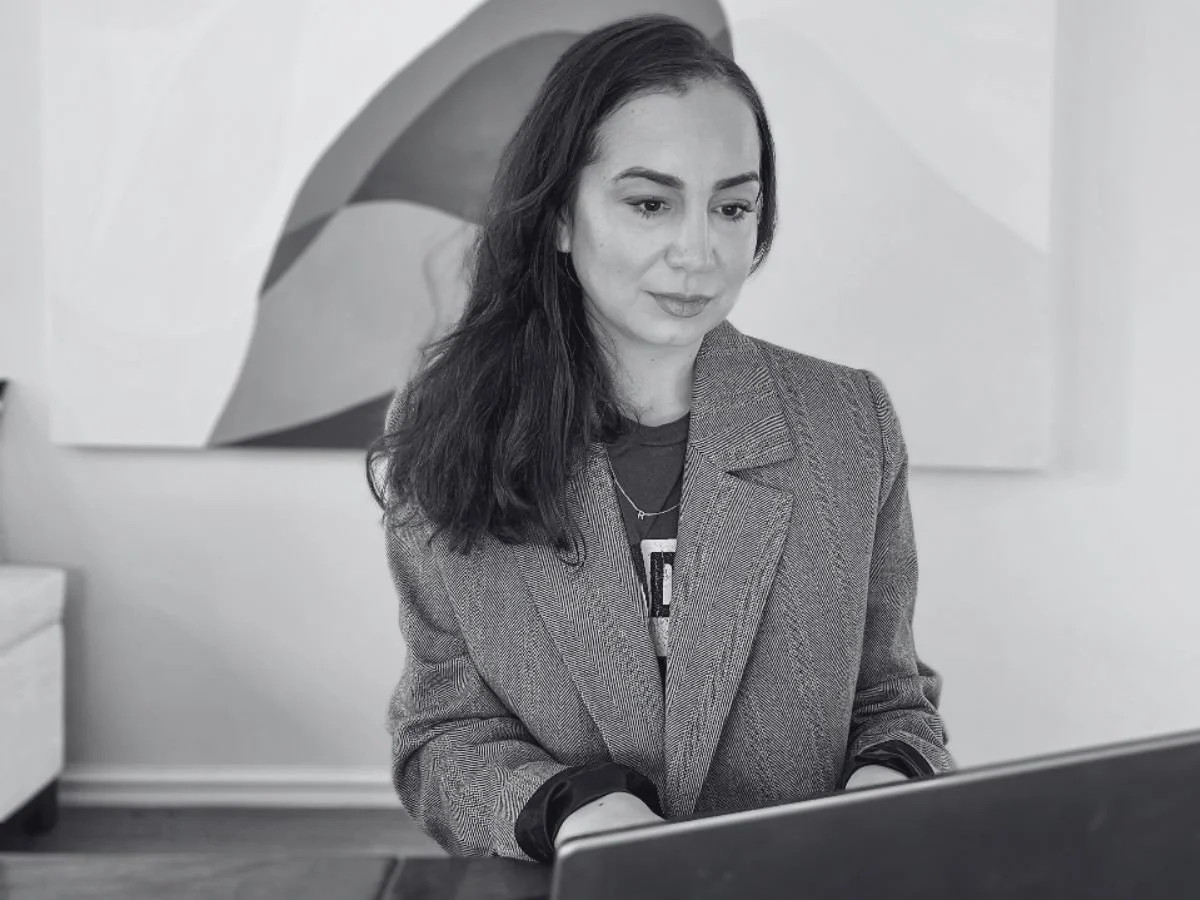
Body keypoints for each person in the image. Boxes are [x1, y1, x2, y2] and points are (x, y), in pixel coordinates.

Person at [366, 13, 953, 864]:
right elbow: (442, 728)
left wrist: (886, 790)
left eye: (733, 206)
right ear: (561, 216)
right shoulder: (446, 428)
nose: (699, 251)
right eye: (649, 203)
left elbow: (894, 700)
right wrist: (571, 810)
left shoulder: (847, 422)